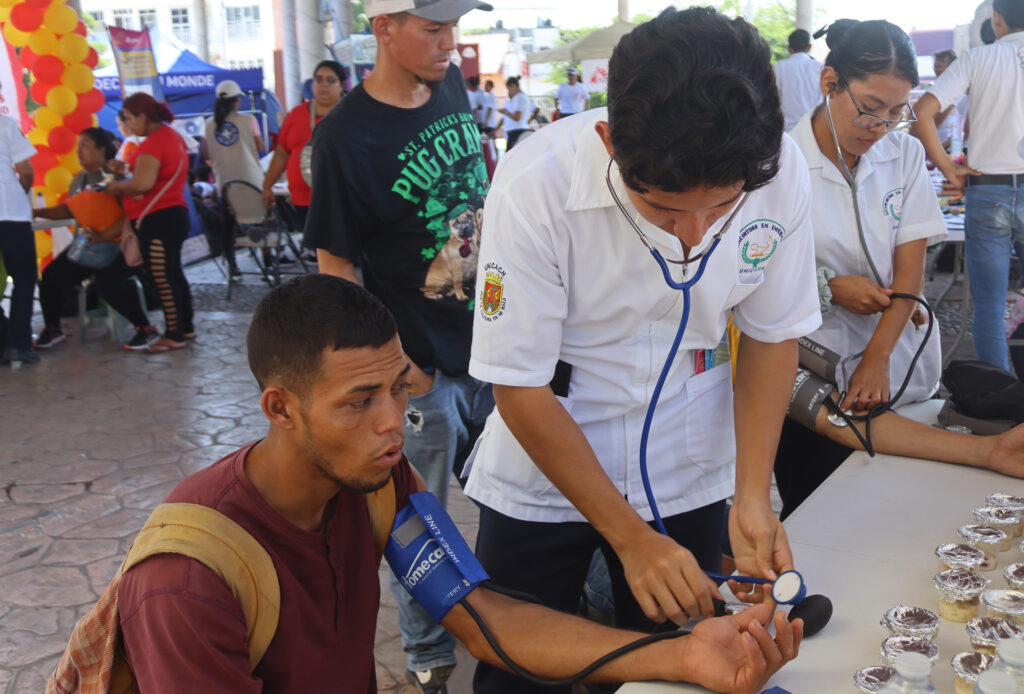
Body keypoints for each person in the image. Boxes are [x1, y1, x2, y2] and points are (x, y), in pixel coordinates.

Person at [109, 274, 802, 694]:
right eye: (359, 401)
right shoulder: (187, 580)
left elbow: (485, 620)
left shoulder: (376, 485)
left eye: (396, 388)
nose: (393, 423)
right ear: (281, 408)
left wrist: (685, 654)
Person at [464, 8, 820, 693]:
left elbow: (774, 336)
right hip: (548, 463)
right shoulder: (533, 182)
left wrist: (751, 497)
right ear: (608, 140)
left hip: (688, 462)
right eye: (663, 210)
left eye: (720, 210)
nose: (691, 237)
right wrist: (629, 540)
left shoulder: (777, 174)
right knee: (519, 668)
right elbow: (518, 385)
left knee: (686, 663)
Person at [301, 1, 497, 690]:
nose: (451, 43)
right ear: (385, 29)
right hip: (420, 371)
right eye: (433, 28)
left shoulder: (447, 85)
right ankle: (428, 657)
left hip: (493, 347)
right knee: (418, 520)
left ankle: (533, 612)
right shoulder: (345, 137)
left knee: (524, 488)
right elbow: (337, 270)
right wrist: (393, 370)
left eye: (454, 27)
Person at [771, 19, 948, 516]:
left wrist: (877, 358)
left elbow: (910, 272)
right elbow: (756, 274)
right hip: (810, 373)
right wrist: (828, 288)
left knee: (897, 511)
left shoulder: (905, 154)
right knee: (819, 512)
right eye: (870, 111)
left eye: (897, 113)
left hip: (897, 363)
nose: (881, 128)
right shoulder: (778, 165)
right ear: (830, 84)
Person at [912, 0, 1024, 371]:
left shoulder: (979, 58)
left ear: (997, 20)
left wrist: (947, 168)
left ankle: (1002, 397)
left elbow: (922, 112)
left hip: (987, 190)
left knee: (990, 306)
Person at [33, 128, 159, 351]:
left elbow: (130, 215)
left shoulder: (117, 174)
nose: (79, 151)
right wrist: (36, 213)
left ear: (102, 149)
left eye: (85, 145)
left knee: (107, 282)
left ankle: (145, 329)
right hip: (89, 248)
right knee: (51, 276)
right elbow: (69, 210)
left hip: (121, 247)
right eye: (78, 145)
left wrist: (105, 235)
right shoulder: (80, 179)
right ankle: (52, 329)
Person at [105, 93, 194, 354]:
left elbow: (142, 184)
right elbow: (148, 177)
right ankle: (185, 326)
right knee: (173, 274)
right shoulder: (170, 136)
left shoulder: (155, 142)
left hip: (158, 218)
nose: (128, 125)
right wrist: (124, 174)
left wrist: (116, 186)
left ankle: (174, 333)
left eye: (130, 119)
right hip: (171, 214)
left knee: (163, 277)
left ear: (143, 116)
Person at [261, 60, 346, 231]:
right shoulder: (296, 115)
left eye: (330, 80)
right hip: (303, 201)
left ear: (341, 85)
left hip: (342, 202)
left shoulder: (351, 115)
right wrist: (267, 186)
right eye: (319, 79)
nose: (323, 84)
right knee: (315, 253)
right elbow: (281, 154)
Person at [205, 79, 265, 277]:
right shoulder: (249, 121)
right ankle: (269, 262)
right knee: (261, 220)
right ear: (237, 100)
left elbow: (207, 154)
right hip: (252, 182)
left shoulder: (208, 125)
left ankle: (232, 266)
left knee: (228, 225)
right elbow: (260, 148)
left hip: (225, 184)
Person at [0, 114, 36, 365]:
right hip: (11, 213)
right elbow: (26, 173)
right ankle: (19, 344)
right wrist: (16, 194)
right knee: (24, 278)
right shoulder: (5, 124)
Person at [774, 29, 824, 131]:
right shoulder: (820, 67)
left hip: (787, 129)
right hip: (814, 128)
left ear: (789, 48)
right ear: (809, 47)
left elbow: (773, 96)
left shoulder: (780, 66)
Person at [931, 50, 968, 154]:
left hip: (948, 146)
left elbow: (938, 119)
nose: (936, 69)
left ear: (951, 67)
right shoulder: (939, 87)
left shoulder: (953, 88)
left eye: (939, 66)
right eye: (935, 65)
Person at [499, 76, 533, 150]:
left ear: (514, 86)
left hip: (517, 131)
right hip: (516, 130)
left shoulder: (519, 97)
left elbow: (517, 117)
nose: (509, 92)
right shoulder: (519, 97)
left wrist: (505, 112)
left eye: (509, 89)